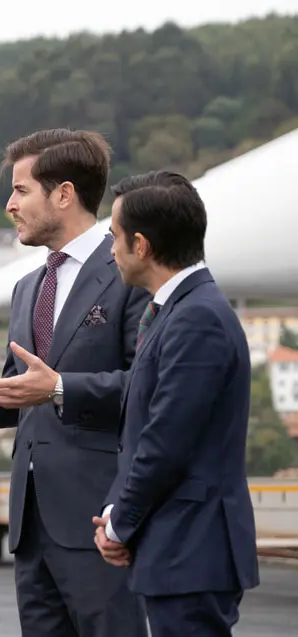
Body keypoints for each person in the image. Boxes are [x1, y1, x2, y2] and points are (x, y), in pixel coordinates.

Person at [0, 129, 149, 637]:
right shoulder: (27, 288)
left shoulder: (127, 272)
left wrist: (60, 388)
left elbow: (148, 388)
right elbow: (23, 388)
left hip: (101, 520)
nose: (9, 204)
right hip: (30, 529)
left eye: (20, 190)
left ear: (63, 194)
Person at [94, 171, 259, 636]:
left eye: (115, 238)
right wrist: (116, 516)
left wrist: (120, 524)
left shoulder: (197, 319)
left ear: (141, 245)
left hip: (193, 550)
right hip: (177, 549)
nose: (111, 250)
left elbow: (167, 442)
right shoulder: (177, 312)